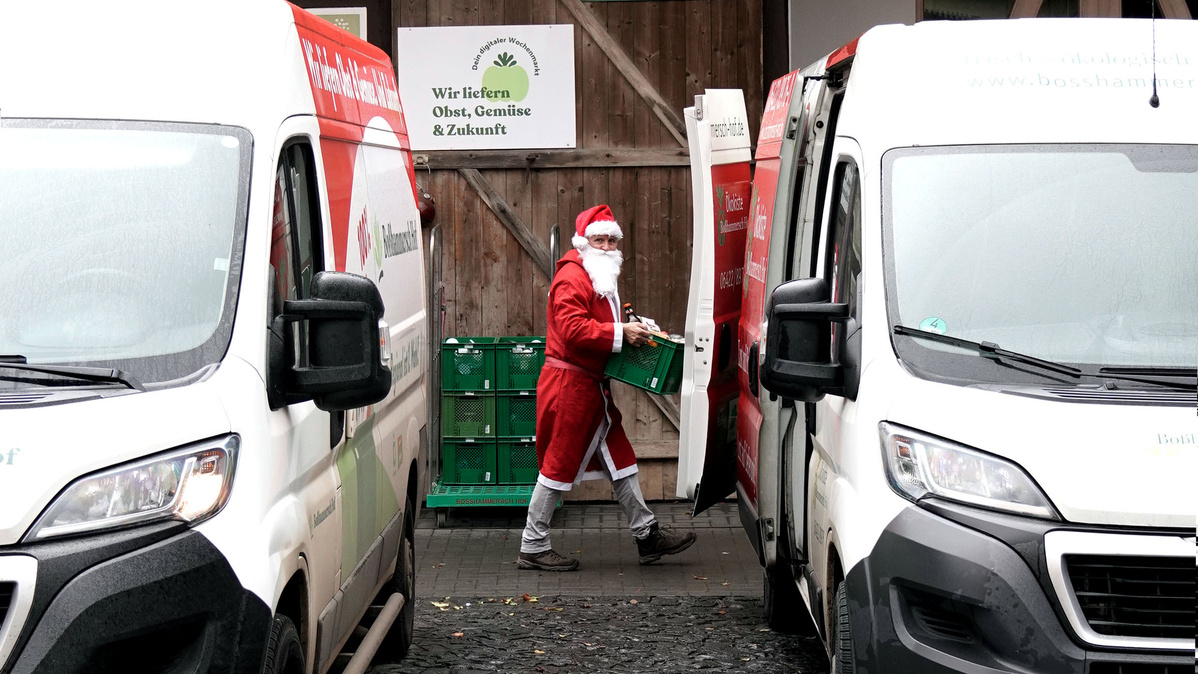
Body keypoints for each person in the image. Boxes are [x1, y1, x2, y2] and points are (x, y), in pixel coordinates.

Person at [517, 204, 697, 572]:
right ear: (583, 243)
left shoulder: (596, 277)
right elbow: (572, 330)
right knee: (557, 464)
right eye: (599, 239)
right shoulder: (572, 278)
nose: (606, 246)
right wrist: (620, 333)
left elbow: (597, 322)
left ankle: (646, 534)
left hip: (589, 386)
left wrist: (633, 326)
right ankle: (532, 544)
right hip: (570, 386)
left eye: (611, 240)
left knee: (621, 458)